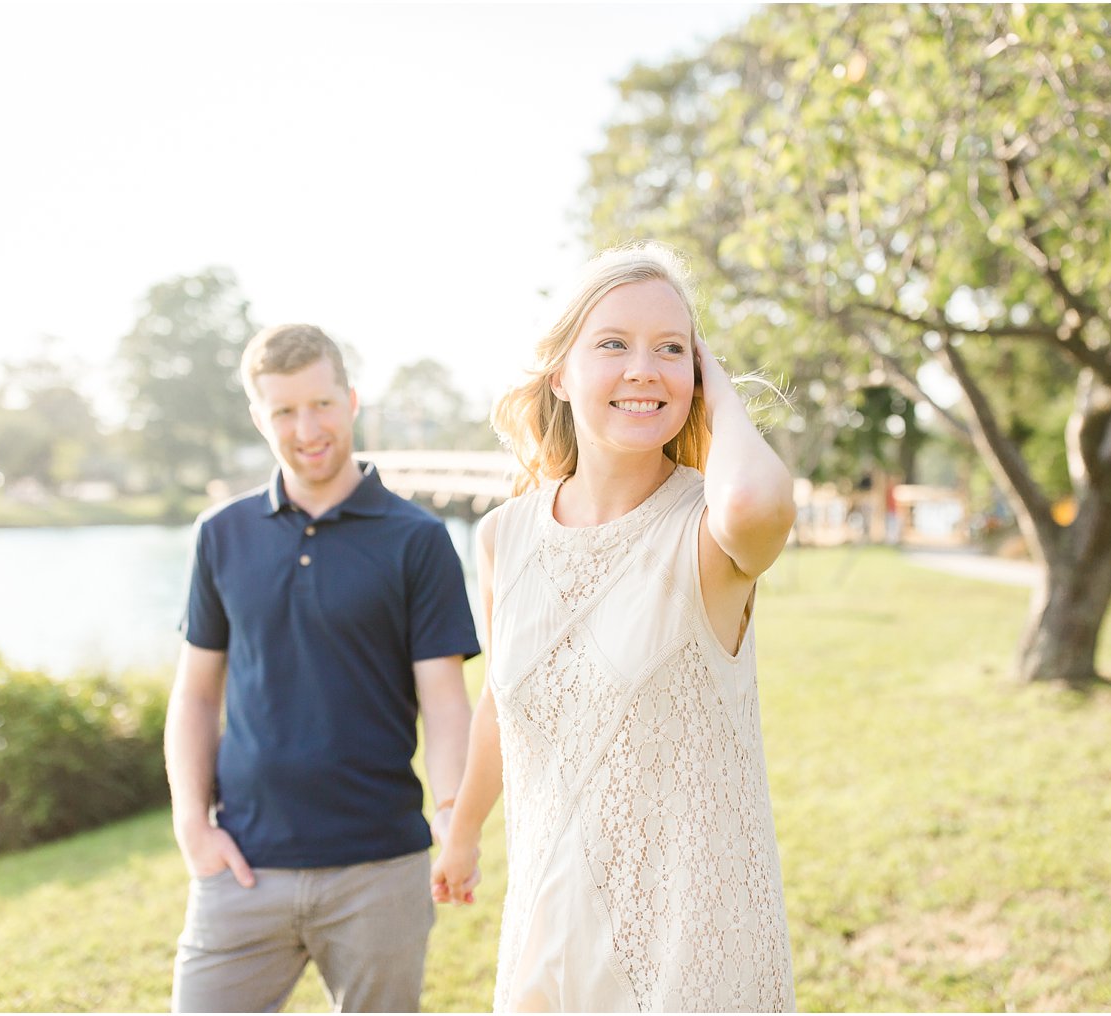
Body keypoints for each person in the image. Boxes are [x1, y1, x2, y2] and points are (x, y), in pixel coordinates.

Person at [429, 244, 798, 1012]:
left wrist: (715, 382)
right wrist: (463, 831)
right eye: (613, 344)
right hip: (550, 930)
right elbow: (501, 701)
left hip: (689, 949)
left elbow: (760, 503)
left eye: (671, 349)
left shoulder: (707, 529)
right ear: (560, 374)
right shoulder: (503, 537)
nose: (643, 368)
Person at [166, 323, 480, 1013]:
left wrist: (454, 814)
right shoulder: (220, 534)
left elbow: (446, 702)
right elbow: (194, 695)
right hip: (243, 869)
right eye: (284, 411)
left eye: (322, 404)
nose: (307, 428)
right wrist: (193, 823)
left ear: (352, 400)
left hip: (380, 870)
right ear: (259, 417)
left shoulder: (418, 540)